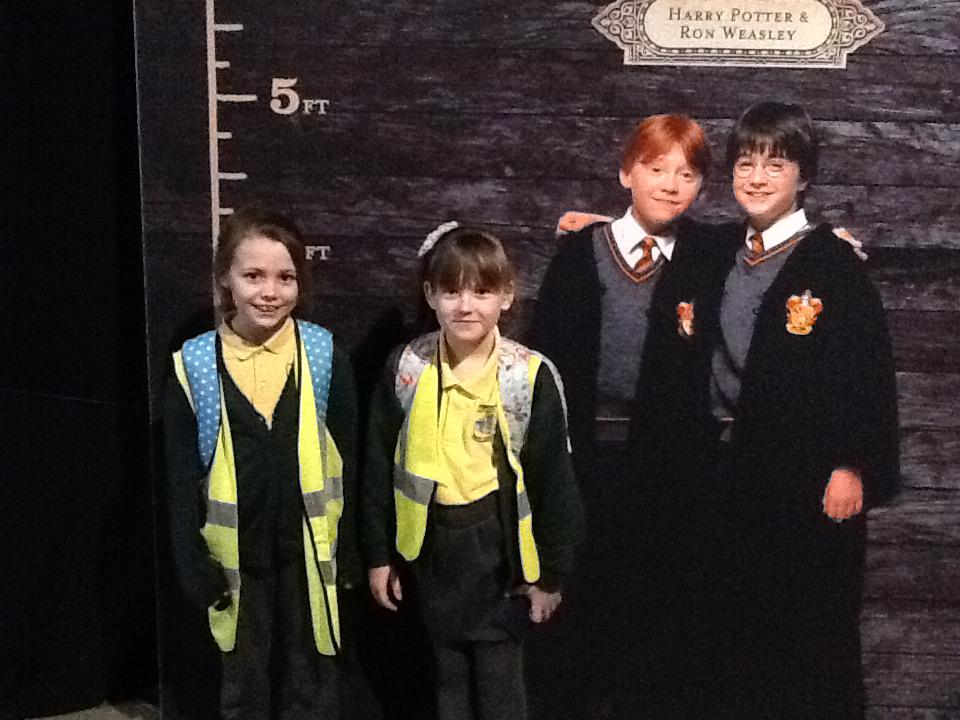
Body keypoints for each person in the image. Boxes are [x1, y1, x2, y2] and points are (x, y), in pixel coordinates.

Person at [689, 102, 900, 719]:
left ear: (803, 176)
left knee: (807, 638)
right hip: (731, 477)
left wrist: (852, 466)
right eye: (745, 163)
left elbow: (867, 376)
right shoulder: (718, 252)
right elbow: (659, 234)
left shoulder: (832, 263)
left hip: (807, 484)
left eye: (775, 164)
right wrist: (596, 225)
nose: (756, 177)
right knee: (732, 635)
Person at [527, 114, 714, 719]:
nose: (670, 185)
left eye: (686, 175)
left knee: (655, 622)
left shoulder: (709, 257)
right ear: (626, 172)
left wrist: (830, 241)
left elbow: (771, 247)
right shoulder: (579, 255)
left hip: (665, 468)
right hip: (585, 462)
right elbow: (545, 364)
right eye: (656, 169)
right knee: (579, 616)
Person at [361, 222, 583, 720]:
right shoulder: (407, 368)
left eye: (482, 291)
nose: (466, 305)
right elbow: (377, 468)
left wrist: (550, 576)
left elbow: (554, 484)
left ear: (506, 296)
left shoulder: (528, 375)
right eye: (451, 291)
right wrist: (378, 556)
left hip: (500, 558)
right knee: (449, 680)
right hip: (436, 553)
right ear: (430, 295)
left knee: (501, 683)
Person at [163, 206, 359, 720]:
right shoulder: (194, 365)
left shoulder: (322, 354)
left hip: (309, 557)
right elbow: (180, 479)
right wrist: (192, 563)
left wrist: (351, 550)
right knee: (243, 685)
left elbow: (351, 458)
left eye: (285, 278)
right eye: (253, 276)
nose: (269, 292)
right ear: (225, 279)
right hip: (234, 563)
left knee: (311, 683)